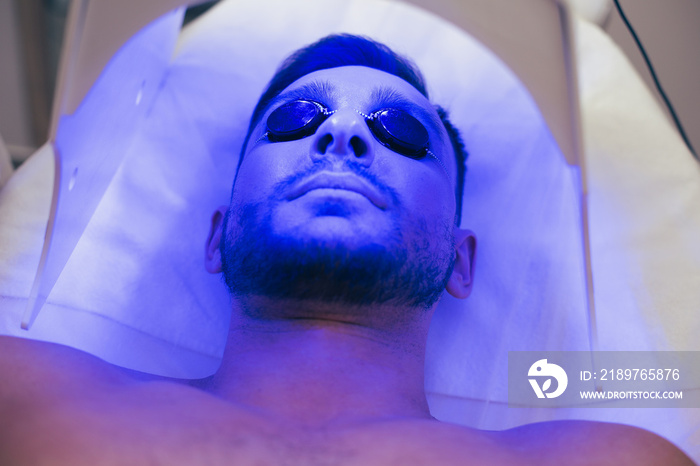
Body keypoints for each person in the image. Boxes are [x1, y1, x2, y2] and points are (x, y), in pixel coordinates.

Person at [0, 34, 693, 465]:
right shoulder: (20, 391)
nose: (341, 137)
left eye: (399, 132)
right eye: (297, 120)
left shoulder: (612, 455)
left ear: (461, 260)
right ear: (217, 234)